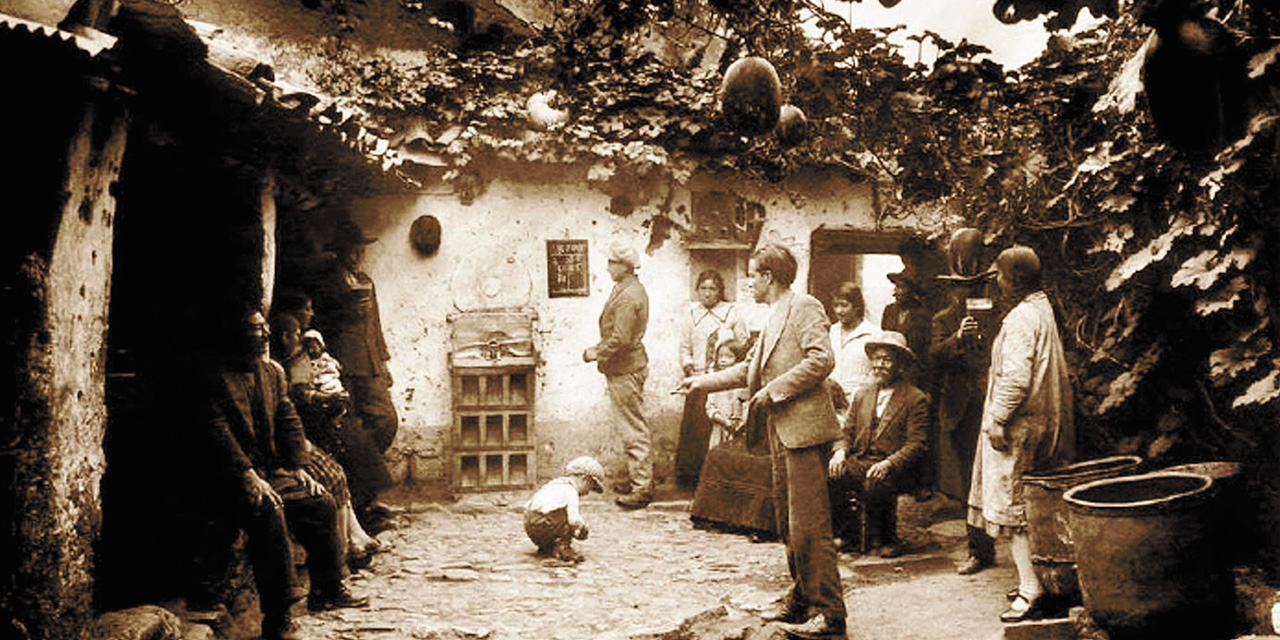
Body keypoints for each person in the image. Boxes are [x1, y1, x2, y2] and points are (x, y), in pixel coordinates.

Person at [679, 243, 847, 640]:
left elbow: (821, 359)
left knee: (810, 526)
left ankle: (831, 615)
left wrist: (774, 391)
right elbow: (747, 369)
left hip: (804, 432)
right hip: (780, 432)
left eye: (753, 274)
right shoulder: (773, 314)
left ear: (769, 276)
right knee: (789, 524)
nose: (749, 281)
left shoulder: (804, 306)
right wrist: (701, 382)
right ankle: (802, 598)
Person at [201, 310, 367, 640]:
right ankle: (278, 617)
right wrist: (247, 474)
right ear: (235, 335)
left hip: (268, 472)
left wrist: (298, 467)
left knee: (320, 502)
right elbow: (217, 432)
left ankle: (327, 591)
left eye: (264, 328)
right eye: (253, 330)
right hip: (227, 479)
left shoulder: (272, 373)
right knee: (269, 513)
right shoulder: (214, 378)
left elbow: (289, 421)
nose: (263, 335)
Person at [968, 246, 1075, 623]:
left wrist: (997, 418)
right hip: (1043, 422)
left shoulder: (1021, 317)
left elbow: (1015, 378)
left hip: (1021, 428)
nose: (996, 281)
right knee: (1035, 507)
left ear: (1014, 278)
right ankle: (1039, 581)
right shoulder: (1043, 309)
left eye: (999, 274)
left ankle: (1032, 593)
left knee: (1016, 512)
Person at [274, 296, 397, 537]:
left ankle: (364, 506)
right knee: (347, 443)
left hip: (320, 410)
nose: (311, 314)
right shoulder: (285, 354)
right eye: (306, 309)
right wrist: (319, 398)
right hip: (305, 418)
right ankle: (359, 515)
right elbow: (292, 391)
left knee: (358, 437)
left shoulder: (310, 342)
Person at [930, 228, 999, 575]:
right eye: (960, 286)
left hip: (994, 405)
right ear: (952, 288)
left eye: (973, 286)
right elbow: (933, 356)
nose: (966, 292)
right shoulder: (943, 320)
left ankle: (1009, 545)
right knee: (970, 483)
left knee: (999, 478)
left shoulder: (995, 311)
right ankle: (979, 550)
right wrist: (958, 338)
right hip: (961, 410)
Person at [827, 331, 928, 559]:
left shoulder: (914, 398)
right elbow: (847, 432)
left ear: (900, 365)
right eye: (876, 359)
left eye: (887, 359)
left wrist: (889, 463)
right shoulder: (863, 394)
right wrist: (840, 452)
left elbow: (917, 444)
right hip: (863, 459)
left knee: (877, 481)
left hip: (899, 467)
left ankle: (884, 538)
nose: (879, 365)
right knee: (832, 473)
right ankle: (847, 535)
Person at [310, 220, 398, 454]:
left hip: (370, 365)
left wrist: (383, 362)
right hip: (342, 364)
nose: (359, 254)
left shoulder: (365, 282)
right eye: (353, 248)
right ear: (340, 250)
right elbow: (319, 324)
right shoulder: (326, 282)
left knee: (386, 421)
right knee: (344, 424)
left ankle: (363, 468)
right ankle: (356, 477)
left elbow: (375, 326)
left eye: (362, 249)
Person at [583, 241, 653, 509]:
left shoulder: (628, 295)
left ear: (625, 266)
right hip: (625, 367)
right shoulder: (626, 288)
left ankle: (642, 488)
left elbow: (621, 338)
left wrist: (595, 352)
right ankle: (638, 479)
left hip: (625, 368)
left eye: (612, 262)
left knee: (633, 429)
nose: (608, 266)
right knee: (630, 426)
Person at [674, 269, 748, 491]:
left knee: (721, 429)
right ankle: (693, 480)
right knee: (696, 431)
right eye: (703, 288)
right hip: (699, 378)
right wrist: (690, 369)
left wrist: (729, 362)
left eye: (712, 289)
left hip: (724, 380)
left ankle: (722, 480)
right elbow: (684, 346)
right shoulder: (691, 314)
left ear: (720, 291)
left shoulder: (731, 313)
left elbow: (742, 343)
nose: (707, 293)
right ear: (697, 290)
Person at [523, 456, 606, 563]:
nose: (587, 493)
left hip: (530, 525)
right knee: (565, 519)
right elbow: (573, 519)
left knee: (557, 515)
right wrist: (582, 528)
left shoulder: (553, 485)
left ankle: (547, 547)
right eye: (589, 487)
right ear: (584, 479)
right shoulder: (570, 491)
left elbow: (529, 505)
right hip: (547, 524)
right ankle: (563, 548)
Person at [828, 282, 876, 408]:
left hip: (860, 405)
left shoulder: (873, 335)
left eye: (844, 305)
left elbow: (877, 374)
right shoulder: (830, 332)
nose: (839, 311)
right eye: (835, 305)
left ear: (857, 307)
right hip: (830, 404)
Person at [881, 270, 931, 385]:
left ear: (912, 291)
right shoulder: (889, 311)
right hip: (890, 370)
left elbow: (925, 352)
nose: (895, 293)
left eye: (900, 288)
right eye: (895, 287)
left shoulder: (923, 315)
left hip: (913, 374)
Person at [704, 339, 746, 449]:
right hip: (720, 428)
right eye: (720, 356)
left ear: (738, 359)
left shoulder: (743, 384)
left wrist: (739, 423)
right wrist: (723, 421)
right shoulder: (715, 383)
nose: (723, 360)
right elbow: (710, 406)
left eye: (729, 357)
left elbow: (747, 405)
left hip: (739, 430)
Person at [301, 329, 347, 398]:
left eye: (313, 347)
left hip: (333, 385)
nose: (310, 351)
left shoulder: (327, 358)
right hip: (321, 389)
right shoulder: (306, 363)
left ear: (320, 346)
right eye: (308, 348)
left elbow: (339, 368)